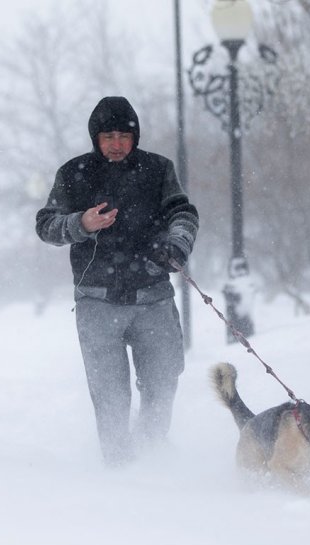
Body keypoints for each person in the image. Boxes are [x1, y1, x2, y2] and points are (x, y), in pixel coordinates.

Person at [35, 96, 199, 467]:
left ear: (135, 136)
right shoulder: (74, 173)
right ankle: (119, 473)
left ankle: (154, 459)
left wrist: (178, 244)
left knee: (161, 386)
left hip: (153, 299)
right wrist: (81, 223)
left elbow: (183, 213)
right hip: (97, 303)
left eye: (124, 135)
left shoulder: (158, 170)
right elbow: (46, 226)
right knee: (110, 397)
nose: (116, 143)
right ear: (95, 137)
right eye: (108, 135)